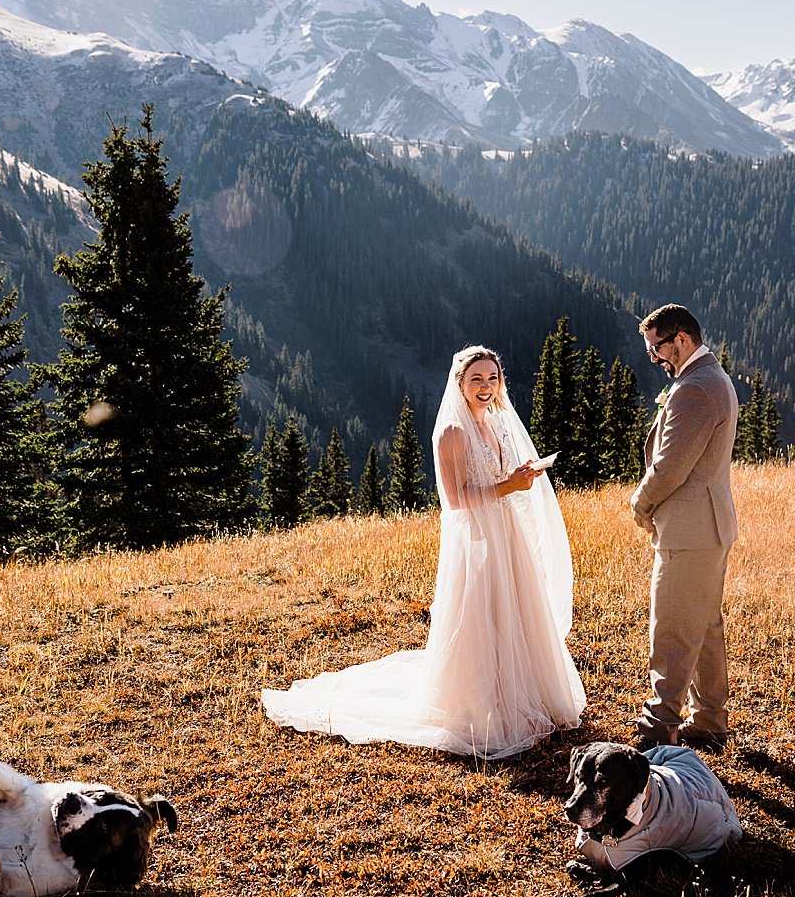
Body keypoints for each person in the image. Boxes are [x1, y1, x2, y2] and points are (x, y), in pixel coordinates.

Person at [263, 345, 584, 758]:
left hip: (505, 532)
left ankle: (524, 693)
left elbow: (495, 477)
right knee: (481, 616)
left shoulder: (495, 422)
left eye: (492, 379)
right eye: (476, 380)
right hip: (476, 542)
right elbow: (456, 499)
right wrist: (509, 486)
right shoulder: (451, 432)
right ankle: (483, 706)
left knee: (515, 613)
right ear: (460, 384)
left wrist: (518, 476)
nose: (486, 388)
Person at [630, 304, 738, 750]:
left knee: (672, 627)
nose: (655, 359)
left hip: (690, 530)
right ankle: (710, 720)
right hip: (708, 527)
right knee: (704, 625)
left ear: (681, 339)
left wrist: (640, 502)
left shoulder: (695, 389)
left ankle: (659, 726)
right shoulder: (711, 379)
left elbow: (671, 467)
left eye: (657, 348)